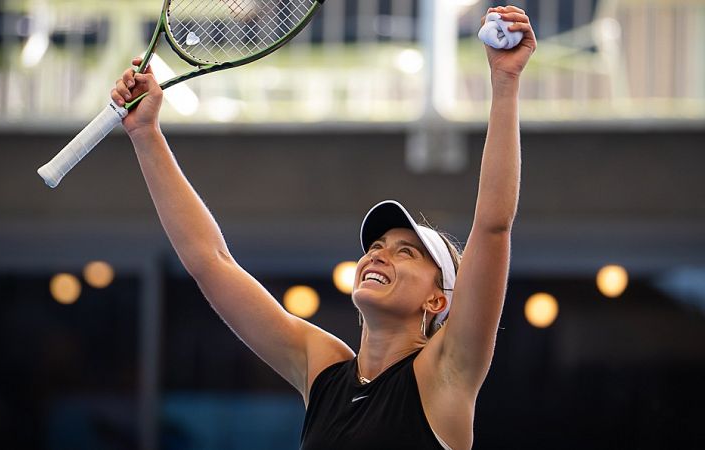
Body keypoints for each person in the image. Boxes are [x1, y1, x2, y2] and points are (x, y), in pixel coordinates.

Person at [111, 5, 535, 449]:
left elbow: (492, 227)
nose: (377, 254)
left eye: (405, 251)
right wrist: (146, 135)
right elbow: (210, 261)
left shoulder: (446, 373)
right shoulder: (324, 368)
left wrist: (504, 85)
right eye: (377, 245)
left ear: (437, 299)